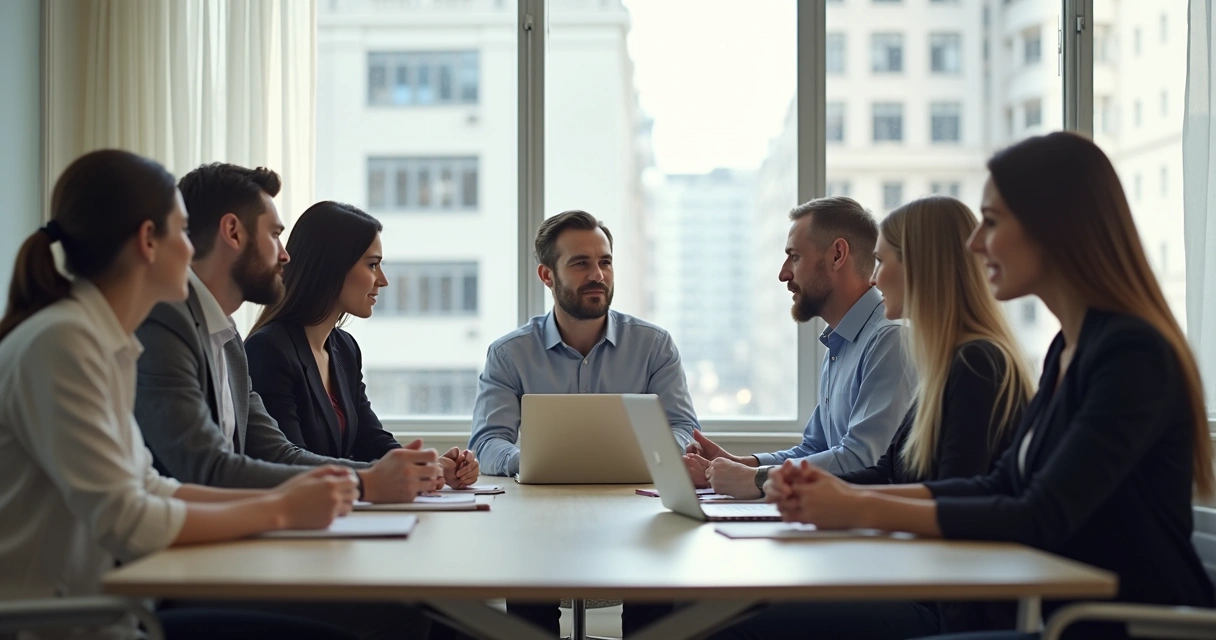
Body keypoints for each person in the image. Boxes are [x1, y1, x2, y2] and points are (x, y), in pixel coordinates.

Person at [767, 132, 1216, 640]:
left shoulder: (1131, 354)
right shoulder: (1067, 350)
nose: (977, 244)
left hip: (1111, 626)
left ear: (1056, 228)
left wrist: (856, 505)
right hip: (1060, 617)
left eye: (994, 223)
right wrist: (835, 492)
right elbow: (1000, 486)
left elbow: (1038, 514)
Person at [0, 149, 360, 640]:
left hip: (111, 617)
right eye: (182, 230)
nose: (192, 250)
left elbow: (148, 486)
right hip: (63, 626)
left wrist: (292, 495)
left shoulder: (105, 341)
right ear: (149, 241)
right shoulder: (64, 343)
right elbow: (126, 519)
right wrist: (280, 509)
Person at [133, 162, 441, 639]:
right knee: (407, 616)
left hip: (224, 549)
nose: (285, 255)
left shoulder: (225, 334)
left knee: (421, 608)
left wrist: (386, 476)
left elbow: (276, 452)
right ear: (233, 232)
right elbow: (206, 469)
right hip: (176, 570)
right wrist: (364, 486)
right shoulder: (167, 323)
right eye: (276, 235)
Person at [711, 196, 1035, 639]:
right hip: (914, 581)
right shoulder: (945, 363)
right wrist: (787, 482)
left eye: (882, 261)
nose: (876, 278)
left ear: (924, 267)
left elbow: (956, 502)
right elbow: (887, 471)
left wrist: (821, 496)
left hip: (942, 607)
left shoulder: (976, 364)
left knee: (740, 628)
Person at [468, 209, 698, 636]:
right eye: (580, 264)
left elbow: (684, 429)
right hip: (539, 523)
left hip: (637, 517)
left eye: (605, 262)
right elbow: (486, 441)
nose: (598, 275)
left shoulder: (654, 345)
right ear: (547, 274)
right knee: (527, 600)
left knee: (658, 597)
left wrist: (659, 450)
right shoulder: (510, 353)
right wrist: (528, 459)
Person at [684, 197, 915, 498]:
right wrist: (738, 463)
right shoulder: (839, 342)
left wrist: (756, 479)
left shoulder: (889, 340)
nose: (783, 274)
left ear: (837, 255)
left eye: (794, 257)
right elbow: (815, 448)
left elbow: (863, 461)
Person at [245, 201, 479, 488]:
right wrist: (384, 477)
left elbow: (369, 438)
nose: (383, 280)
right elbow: (288, 461)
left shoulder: (344, 348)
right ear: (332, 267)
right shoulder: (269, 350)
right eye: (372, 265)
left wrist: (427, 468)